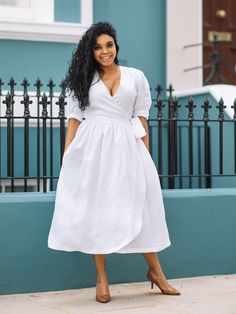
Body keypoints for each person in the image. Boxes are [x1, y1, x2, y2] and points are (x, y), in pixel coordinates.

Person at [48, 21, 181, 303]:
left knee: (140, 207)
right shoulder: (83, 80)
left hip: (127, 147)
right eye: (97, 47)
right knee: (98, 210)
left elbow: (141, 118)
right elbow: (73, 122)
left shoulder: (135, 76)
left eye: (109, 45)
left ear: (116, 46)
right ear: (91, 52)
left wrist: (144, 154)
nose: (104, 51)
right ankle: (101, 278)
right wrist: (67, 159)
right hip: (92, 151)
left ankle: (156, 272)